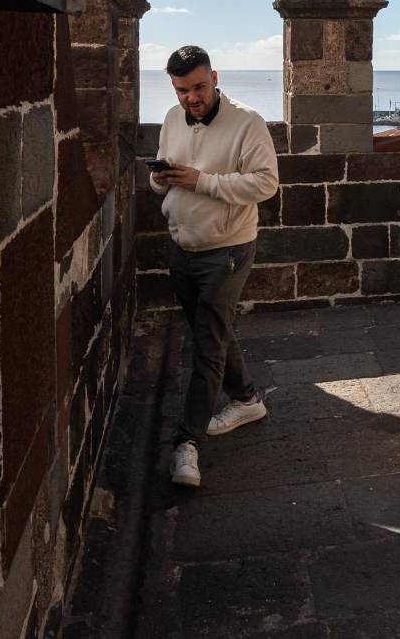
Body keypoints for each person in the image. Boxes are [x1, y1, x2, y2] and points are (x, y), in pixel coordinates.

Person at [148, 46, 279, 487]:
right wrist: (160, 176)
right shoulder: (171, 117)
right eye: (183, 90)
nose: (192, 99)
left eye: (199, 87)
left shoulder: (247, 122)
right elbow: (161, 173)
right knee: (213, 330)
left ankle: (187, 444)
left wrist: (201, 180)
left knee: (206, 342)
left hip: (227, 249)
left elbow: (266, 182)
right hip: (182, 245)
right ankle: (246, 398)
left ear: (215, 77)